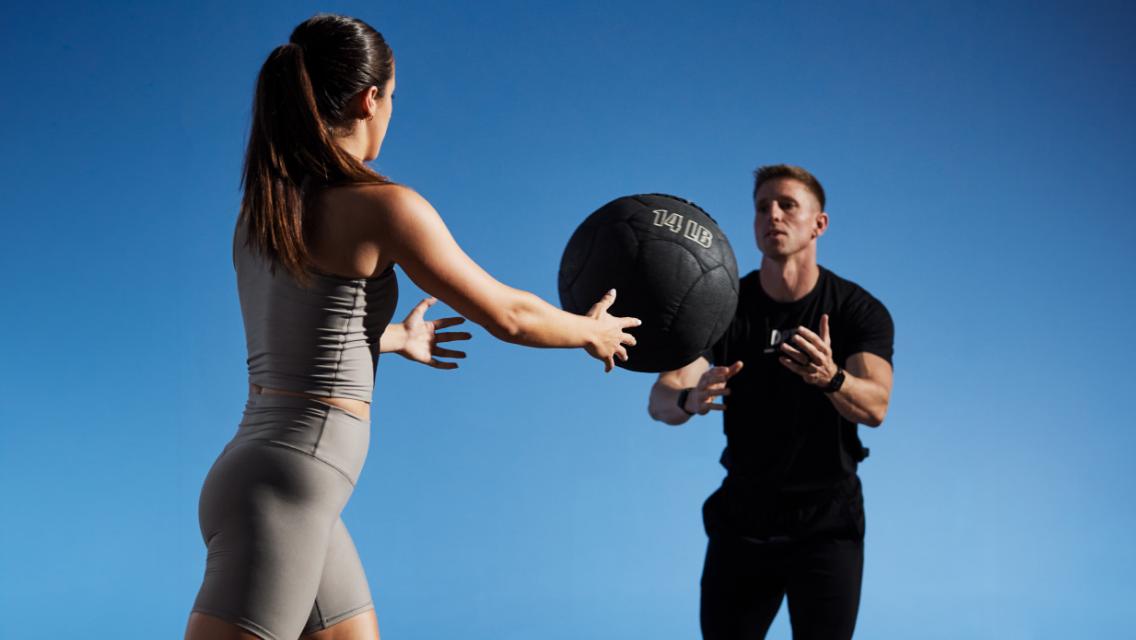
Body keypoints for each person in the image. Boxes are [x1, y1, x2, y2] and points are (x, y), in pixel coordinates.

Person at [185, 14, 640, 640]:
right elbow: (508, 313)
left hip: (271, 477)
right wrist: (589, 331)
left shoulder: (265, 209)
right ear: (369, 99)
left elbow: (299, 336)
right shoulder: (384, 207)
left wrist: (394, 337)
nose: (392, 111)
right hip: (287, 491)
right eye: (393, 97)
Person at [647, 165, 894, 640]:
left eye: (786, 205)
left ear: (818, 223)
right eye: (762, 207)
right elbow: (659, 400)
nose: (772, 216)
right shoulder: (722, 307)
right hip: (744, 520)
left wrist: (832, 378)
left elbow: (876, 406)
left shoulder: (856, 310)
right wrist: (691, 397)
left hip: (827, 524)